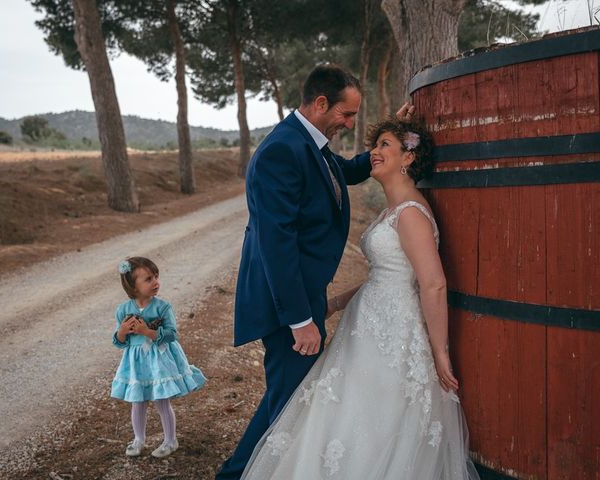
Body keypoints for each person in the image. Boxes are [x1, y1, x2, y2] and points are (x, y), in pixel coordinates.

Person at [240, 116, 480, 479]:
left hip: (393, 336)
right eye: (376, 144)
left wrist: (441, 352)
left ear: (409, 158)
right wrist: (335, 303)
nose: (375, 152)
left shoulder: (411, 214)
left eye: (386, 145)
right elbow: (386, 276)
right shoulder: (392, 211)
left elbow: (432, 285)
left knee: (375, 420)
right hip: (365, 327)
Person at [215, 64, 378, 480]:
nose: (349, 123)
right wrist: (300, 320)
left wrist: (389, 150)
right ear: (321, 103)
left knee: (288, 395)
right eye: (347, 114)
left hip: (304, 295)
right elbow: (277, 244)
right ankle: (236, 474)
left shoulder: (310, 143)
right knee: (287, 399)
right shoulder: (281, 151)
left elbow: (342, 174)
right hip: (285, 304)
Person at [111, 256, 205, 458]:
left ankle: (170, 440)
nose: (156, 282)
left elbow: (172, 334)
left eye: (156, 276)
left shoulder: (162, 307)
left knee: (162, 400)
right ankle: (139, 439)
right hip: (136, 363)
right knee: (138, 401)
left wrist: (147, 332)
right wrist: (122, 331)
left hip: (159, 359)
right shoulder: (123, 310)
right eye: (148, 279)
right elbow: (119, 342)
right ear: (132, 286)